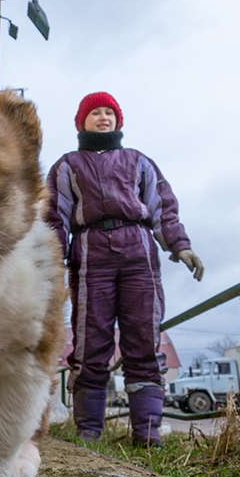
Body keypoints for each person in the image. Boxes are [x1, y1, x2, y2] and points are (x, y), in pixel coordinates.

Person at [45, 92, 204, 446]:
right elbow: (54, 215)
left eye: (109, 113)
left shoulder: (139, 162)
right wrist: (51, 255)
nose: (103, 118)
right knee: (90, 341)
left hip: (139, 254)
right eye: (95, 113)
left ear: (118, 120)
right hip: (90, 255)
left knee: (144, 338)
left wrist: (181, 245)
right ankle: (89, 430)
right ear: (81, 122)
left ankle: (147, 432)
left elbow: (163, 207)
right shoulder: (68, 165)